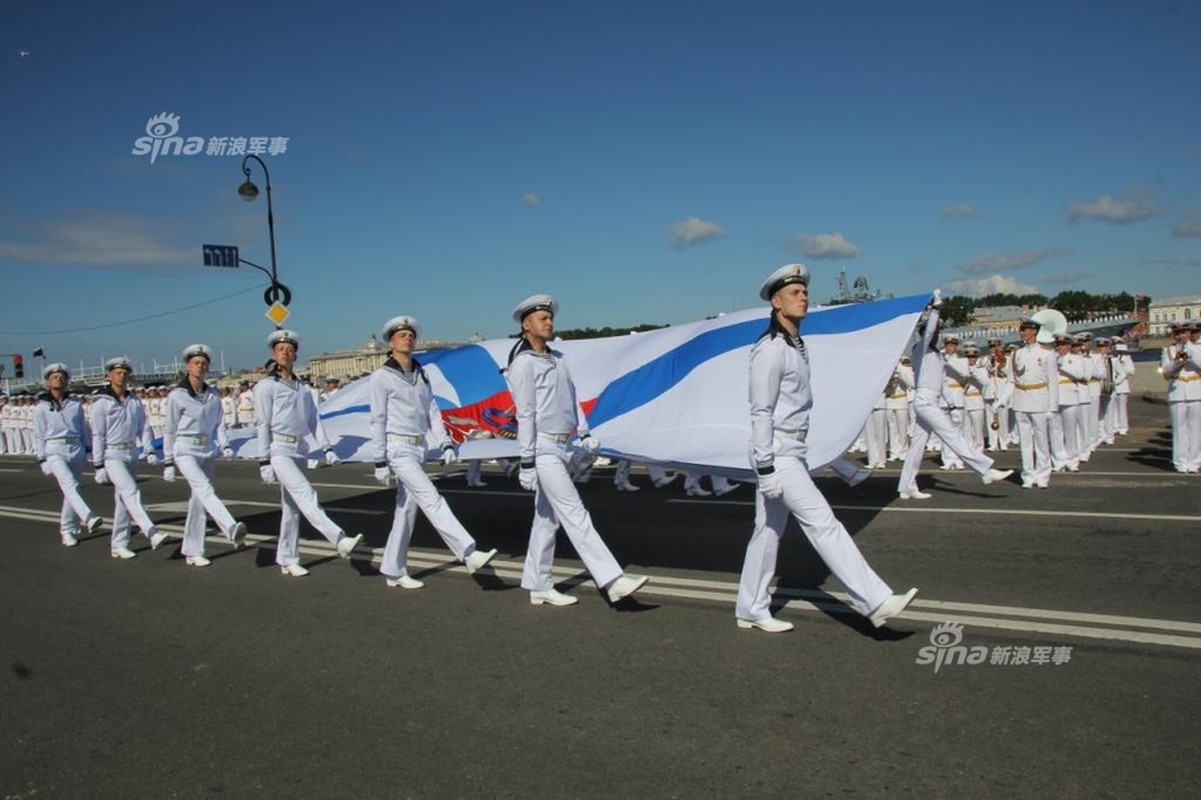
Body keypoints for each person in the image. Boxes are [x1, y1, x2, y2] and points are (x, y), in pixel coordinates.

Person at [737, 265, 917, 633]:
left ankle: (750, 607)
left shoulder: (795, 345)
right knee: (823, 523)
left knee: (767, 531)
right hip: (779, 455)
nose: (803, 298)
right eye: (795, 293)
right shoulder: (771, 350)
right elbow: (760, 411)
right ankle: (875, 600)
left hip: (791, 451)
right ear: (776, 302)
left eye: (805, 292)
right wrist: (766, 467)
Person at [505, 294, 648, 606]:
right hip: (541, 447)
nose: (549, 321)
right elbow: (525, 414)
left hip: (562, 444)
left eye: (550, 317)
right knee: (574, 512)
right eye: (542, 318)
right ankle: (611, 579)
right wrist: (526, 460)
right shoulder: (523, 364)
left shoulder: (558, 358)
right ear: (526, 325)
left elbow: (572, 398)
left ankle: (538, 583)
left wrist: (584, 433)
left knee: (547, 518)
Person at [369, 315, 497, 589]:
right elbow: (378, 418)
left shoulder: (420, 373)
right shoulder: (381, 377)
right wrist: (380, 458)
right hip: (397, 448)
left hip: (418, 448)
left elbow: (432, 411)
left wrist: (445, 442)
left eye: (411, 334)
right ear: (391, 343)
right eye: (402, 335)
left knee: (406, 510)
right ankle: (468, 553)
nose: (408, 338)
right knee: (432, 499)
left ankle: (393, 569)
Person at [255, 330, 363, 577]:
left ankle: (287, 558)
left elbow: (314, 420)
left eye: (290, 349)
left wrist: (326, 448)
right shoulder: (266, 386)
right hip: (279, 448)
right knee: (306, 493)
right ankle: (339, 539)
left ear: (295, 355)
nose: (286, 353)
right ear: (274, 353)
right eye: (281, 349)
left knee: (292, 508)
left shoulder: (303, 388)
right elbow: (263, 424)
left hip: (300, 448)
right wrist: (264, 460)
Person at [896, 292, 1013, 499]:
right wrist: (936, 309)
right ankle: (985, 470)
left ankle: (906, 486)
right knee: (952, 435)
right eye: (932, 333)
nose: (936, 335)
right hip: (924, 399)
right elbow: (930, 328)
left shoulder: (938, 357)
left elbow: (943, 383)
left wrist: (951, 405)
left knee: (917, 445)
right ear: (925, 334)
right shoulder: (920, 349)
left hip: (933, 400)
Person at [163, 344, 248, 567]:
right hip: (185, 449)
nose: (200, 367)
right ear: (188, 367)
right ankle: (229, 527)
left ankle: (192, 550)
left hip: (207, 449)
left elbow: (219, 423)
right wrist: (168, 460)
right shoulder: (177, 395)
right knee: (205, 489)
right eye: (196, 363)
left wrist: (226, 445)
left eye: (204, 363)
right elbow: (170, 429)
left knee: (198, 502)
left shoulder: (212, 395)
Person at [90, 357, 168, 559]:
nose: (122, 376)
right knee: (130, 491)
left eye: (125, 373)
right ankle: (151, 532)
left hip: (131, 452)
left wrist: (149, 450)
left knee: (123, 501)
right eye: (118, 373)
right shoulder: (101, 403)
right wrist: (98, 465)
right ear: (110, 376)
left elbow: (144, 427)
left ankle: (119, 543)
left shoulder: (134, 401)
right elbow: (97, 435)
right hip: (111, 454)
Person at [33, 363, 103, 546]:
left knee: (72, 491)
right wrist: (42, 459)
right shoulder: (40, 407)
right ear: (48, 382)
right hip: (54, 449)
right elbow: (39, 435)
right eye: (54, 376)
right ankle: (88, 517)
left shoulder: (74, 404)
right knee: (69, 484)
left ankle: (67, 529)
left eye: (62, 376)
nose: (59, 379)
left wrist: (87, 449)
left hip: (75, 448)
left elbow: (82, 428)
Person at [1009, 316, 1056, 488]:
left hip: (1039, 399)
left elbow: (1052, 382)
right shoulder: (1016, 354)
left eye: (1026, 329)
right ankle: (1028, 474)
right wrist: (1003, 400)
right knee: (1025, 442)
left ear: (1034, 331)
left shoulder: (1047, 354)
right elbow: (1011, 380)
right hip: (1021, 400)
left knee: (1041, 440)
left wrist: (1053, 407)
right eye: (1022, 330)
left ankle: (1043, 474)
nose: (1023, 333)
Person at [1161, 321, 1200, 473]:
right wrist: (1177, 361)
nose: (1180, 336)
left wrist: (1191, 355)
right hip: (1176, 392)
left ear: (1189, 333)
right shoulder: (1169, 350)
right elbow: (1165, 371)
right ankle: (1180, 462)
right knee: (1179, 429)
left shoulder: (1198, 348)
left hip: (1196, 391)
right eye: (1177, 333)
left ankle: (1195, 462)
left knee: (1195, 429)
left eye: (1183, 333)